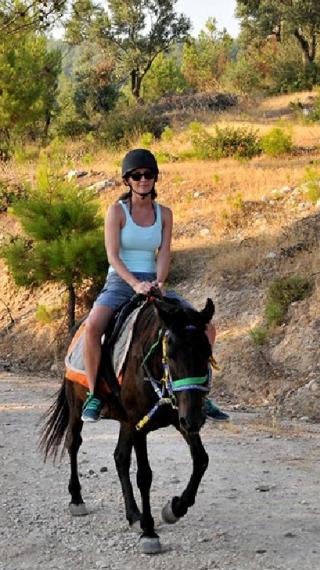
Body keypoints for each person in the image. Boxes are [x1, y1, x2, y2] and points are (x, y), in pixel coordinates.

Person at [80, 149, 229, 423]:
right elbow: (113, 254)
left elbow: (163, 252)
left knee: (205, 328)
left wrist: (159, 282)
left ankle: (201, 395)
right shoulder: (116, 211)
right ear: (127, 180)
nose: (143, 180)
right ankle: (94, 393)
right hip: (121, 280)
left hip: (153, 281)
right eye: (136, 176)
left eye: (148, 175)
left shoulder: (165, 214)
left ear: (155, 178)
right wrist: (135, 284)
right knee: (92, 327)